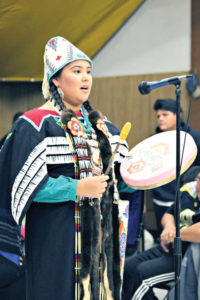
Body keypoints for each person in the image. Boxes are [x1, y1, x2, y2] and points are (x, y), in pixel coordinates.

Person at [0, 36, 135, 300]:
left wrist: (137, 174)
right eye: (77, 71)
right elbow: (22, 184)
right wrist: (77, 187)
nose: (86, 78)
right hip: (56, 238)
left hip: (101, 239)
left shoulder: (103, 127)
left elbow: (122, 177)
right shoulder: (35, 124)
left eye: (88, 71)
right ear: (55, 80)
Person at [121, 170, 200, 300]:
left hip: (186, 256)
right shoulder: (188, 190)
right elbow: (169, 214)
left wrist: (175, 234)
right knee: (129, 267)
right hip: (168, 247)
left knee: (141, 276)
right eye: (198, 179)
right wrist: (169, 227)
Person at [151, 98, 200, 238]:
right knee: (165, 239)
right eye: (158, 116)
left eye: (165, 115)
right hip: (160, 198)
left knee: (186, 240)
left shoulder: (194, 137)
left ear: (178, 115)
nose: (160, 119)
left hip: (187, 197)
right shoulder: (154, 140)